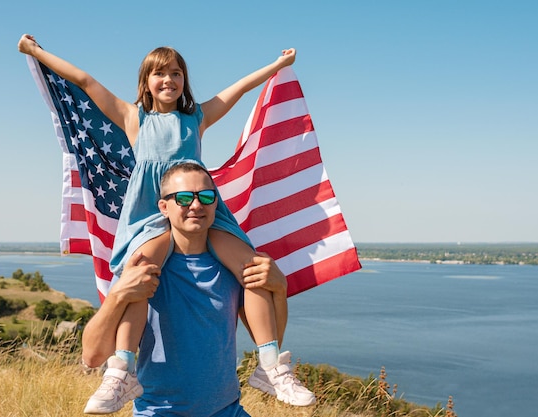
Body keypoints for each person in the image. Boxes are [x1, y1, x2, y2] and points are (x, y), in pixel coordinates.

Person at [17, 35, 314, 413]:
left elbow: (237, 89)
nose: (168, 80)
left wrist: (276, 66)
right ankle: (121, 370)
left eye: (176, 73)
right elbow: (87, 82)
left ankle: (271, 365)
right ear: (146, 82)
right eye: (159, 73)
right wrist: (37, 52)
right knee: (141, 275)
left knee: (251, 268)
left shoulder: (197, 118)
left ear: (184, 81)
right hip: (151, 215)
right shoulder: (133, 117)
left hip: (200, 204)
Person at [81, 162, 315, 416]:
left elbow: (272, 342)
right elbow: (93, 357)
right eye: (183, 198)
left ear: (216, 203)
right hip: (160, 412)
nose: (196, 205)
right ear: (164, 207)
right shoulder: (143, 268)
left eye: (205, 196)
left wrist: (279, 290)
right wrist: (117, 295)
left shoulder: (235, 266)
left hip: (228, 410)